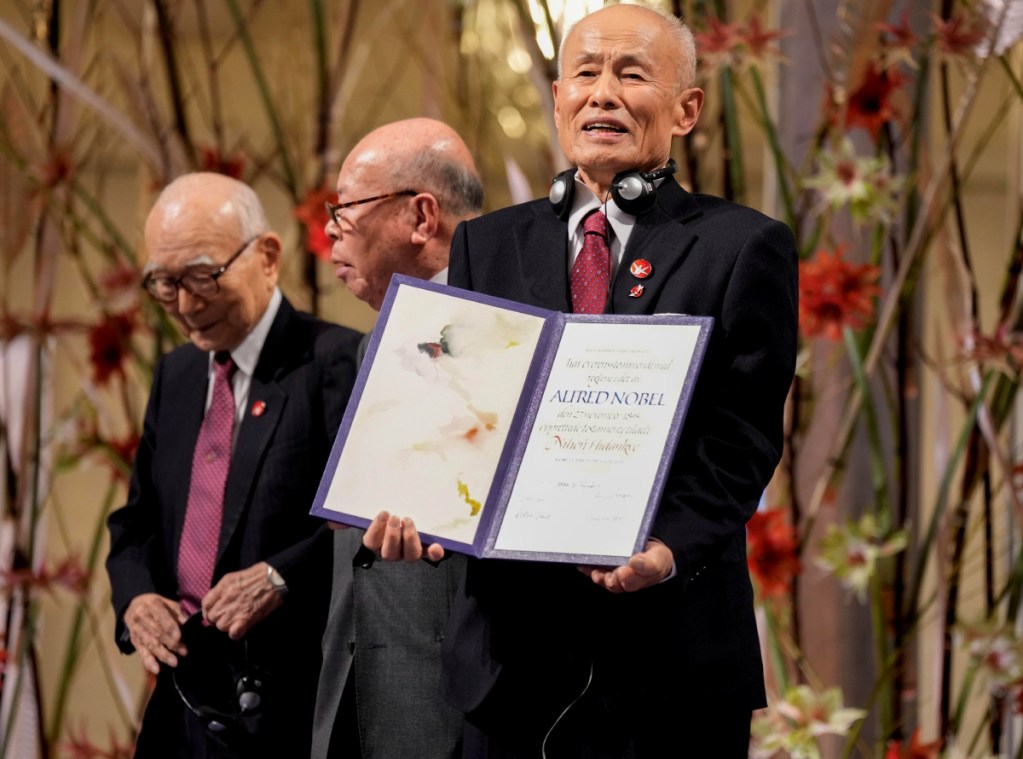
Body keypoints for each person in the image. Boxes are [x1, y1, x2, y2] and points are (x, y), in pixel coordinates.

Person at [363, 5, 798, 758]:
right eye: (585, 73)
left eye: (631, 74)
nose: (603, 93)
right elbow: (458, 415)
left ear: (686, 108)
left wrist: (667, 545)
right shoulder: (485, 245)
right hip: (508, 665)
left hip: (673, 658)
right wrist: (426, 514)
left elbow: (743, 435)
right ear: (558, 95)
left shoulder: (741, 246)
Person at [106, 172, 362, 758]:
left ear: (267, 256)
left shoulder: (335, 362)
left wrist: (281, 576)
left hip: (291, 704)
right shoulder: (178, 374)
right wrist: (138, 600)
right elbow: (136, 525)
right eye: (165, 284)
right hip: (184, 697)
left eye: (203, 278)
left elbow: (361, 524)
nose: (187, 306)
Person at [310, 118, 484, 759]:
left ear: (421, 217)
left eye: (346, 207)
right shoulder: (367, 348)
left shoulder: (503, 339)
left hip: (453, 706)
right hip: (354, 694)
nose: (329, 228)